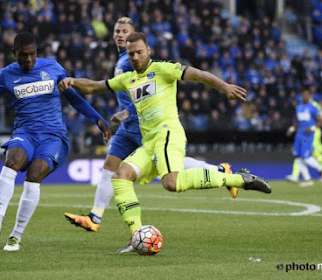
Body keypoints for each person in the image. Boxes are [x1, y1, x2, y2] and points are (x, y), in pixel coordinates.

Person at [58, 32, 271, 252]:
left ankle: (238, 179)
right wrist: (72, 81)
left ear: (148, 50)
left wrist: (225, 87)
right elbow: (94, 86)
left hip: (168, 133)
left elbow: (197, 74)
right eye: (131, 54)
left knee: (171, 182)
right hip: (149, 141)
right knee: (120, 176)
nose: (135, 57)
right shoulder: (127, 79)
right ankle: (137, 236)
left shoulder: (162, 69)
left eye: (140, 52)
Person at [0, 32, 111, 251]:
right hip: (25, 133)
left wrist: (98, 119)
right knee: (12, 160)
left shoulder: (53, 68)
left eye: (32, 54)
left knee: (34, 174)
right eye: (23, 55)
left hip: (53, 137)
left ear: (37, 52)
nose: (28, 60)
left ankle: (15, 236)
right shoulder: (6, 75)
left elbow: (75, 99)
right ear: (14, 53)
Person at [285, 88, 322, 187]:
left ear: (309, 96)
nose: (304, 97)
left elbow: (320, 121)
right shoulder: (299, 107)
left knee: (305, 157)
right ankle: (307, 179)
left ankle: (320, 168)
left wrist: (312, 128)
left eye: (306, 95)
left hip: (308, 136)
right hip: (299, 135)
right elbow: (296, 122)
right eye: (303, 95)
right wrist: (292, 129)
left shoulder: (313, 108)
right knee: (297, 157)